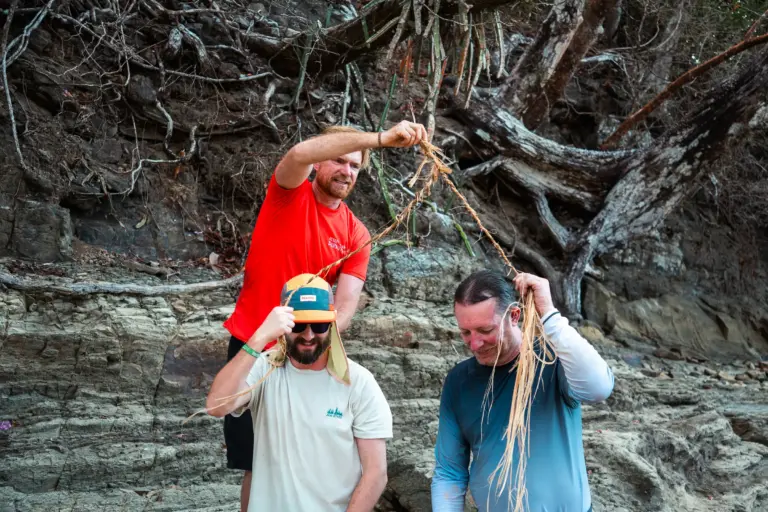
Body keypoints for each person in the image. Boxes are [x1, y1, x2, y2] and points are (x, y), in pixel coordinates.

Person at [220, 120, 428, 510]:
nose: (346, 171)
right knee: (254, 462)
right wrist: (380, 140)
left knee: (306, 451)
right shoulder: (288, 194)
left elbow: (345, 306)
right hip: (254, 342)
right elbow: (297, 154)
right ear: (319, 162)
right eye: (338, 159)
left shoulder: (356, 234)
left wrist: (311, 337)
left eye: (355, 165)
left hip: (306, 350)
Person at [431, 270, 615, 511]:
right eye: (466, 332)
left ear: (514, 315)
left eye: (486, 331)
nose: (474, 344)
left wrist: (549, 314)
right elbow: (449, 473)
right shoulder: (458, 381)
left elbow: (599, 388)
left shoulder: (553, 359)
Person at [207, 273, 393, 512]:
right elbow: (216, 405)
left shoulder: (358, 382)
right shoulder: (264, 368)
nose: (308, 335)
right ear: (283, 325)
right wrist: (259, 337)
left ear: (332, 325)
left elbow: (376, 473)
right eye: (298, 325)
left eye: (319, 325)